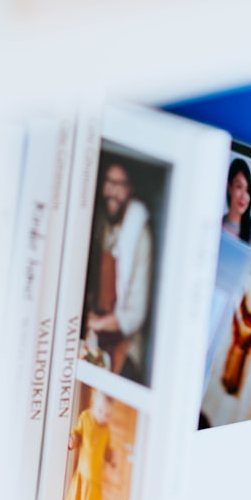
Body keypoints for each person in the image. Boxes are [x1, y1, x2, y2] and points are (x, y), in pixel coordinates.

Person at [84, 158, 153, 383]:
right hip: (94, 340)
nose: (113, 191)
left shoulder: (139, 235)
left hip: (124, 347)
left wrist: (95, 323)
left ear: (129, 190)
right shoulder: (99, 224)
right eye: (108, 182)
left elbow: (135, 315)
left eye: (120, 184)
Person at [222, 158, 251, 244]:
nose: (243, 196)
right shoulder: (217, 225)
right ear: (229, 187)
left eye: (247, 190)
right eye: (239, 186)